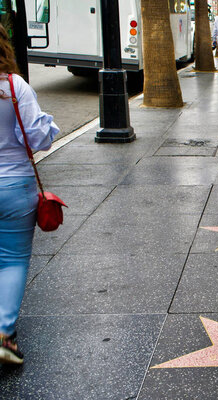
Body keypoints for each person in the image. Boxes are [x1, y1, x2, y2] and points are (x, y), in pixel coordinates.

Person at [0, 24, 58, 365]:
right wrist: (50, 125)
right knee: (12, 259)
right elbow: (38, 138)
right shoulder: (12, 86)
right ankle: (4, 333)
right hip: (14, 185)